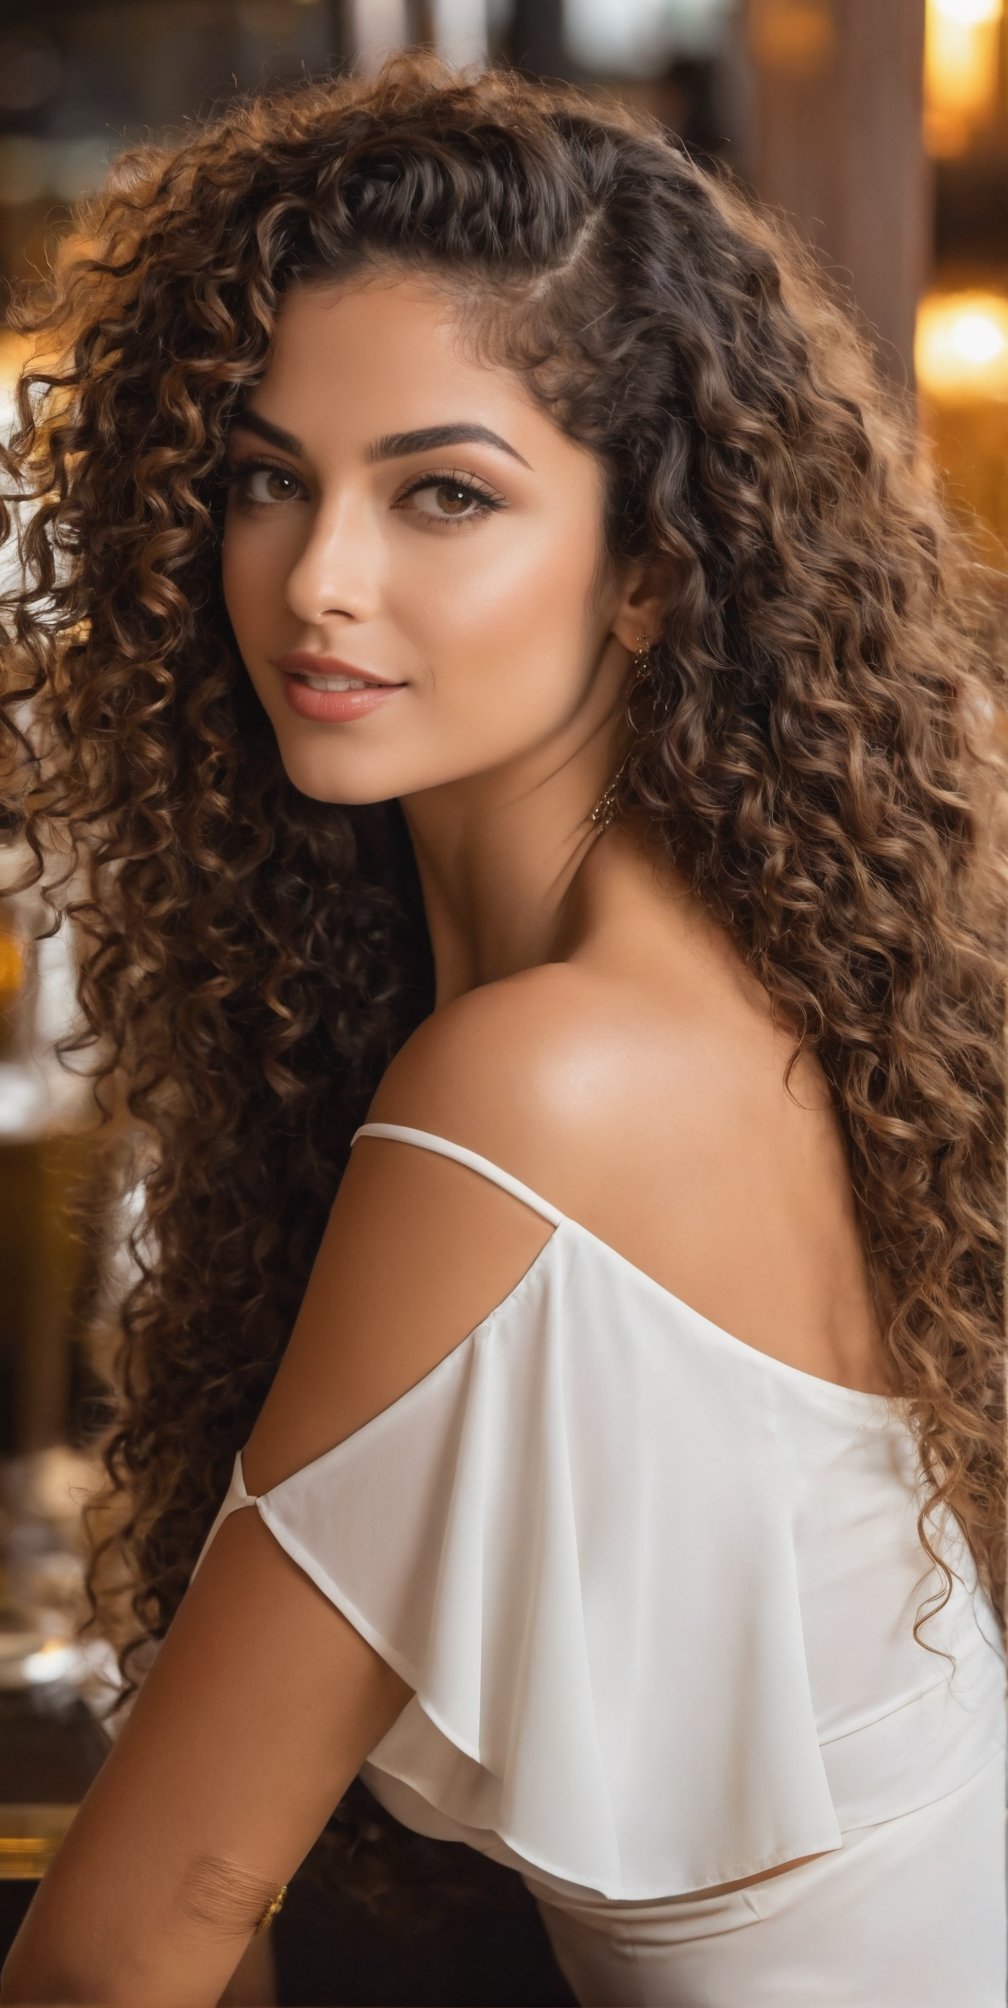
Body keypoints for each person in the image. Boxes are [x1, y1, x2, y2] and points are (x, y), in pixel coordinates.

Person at [0, 45, 1004, 2008]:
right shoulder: (799, 985)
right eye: (269, 480)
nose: (321, 580)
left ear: (649, 568)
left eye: (444, 491)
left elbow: (122, 1950)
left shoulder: (542, 1084)